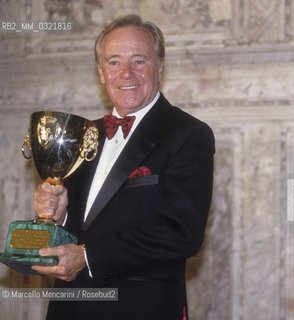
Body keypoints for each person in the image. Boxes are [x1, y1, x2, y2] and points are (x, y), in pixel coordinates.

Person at [32, 14, 214, 320]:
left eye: (139, 61)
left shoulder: (188, 134)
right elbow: (82, 226)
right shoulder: (83, 134)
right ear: (101, 73)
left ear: (159, 66)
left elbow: (181, 233)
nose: (126, 73)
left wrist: (88, 257)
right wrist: (59, 215)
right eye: (114, 62)